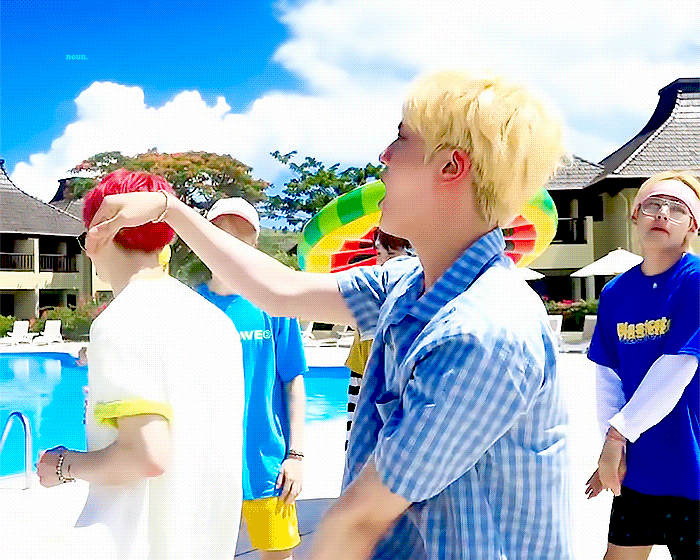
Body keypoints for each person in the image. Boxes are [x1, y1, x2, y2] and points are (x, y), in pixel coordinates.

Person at [85, 70, 571, 560]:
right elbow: (281, 290)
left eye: (402, 138)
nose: (384, 155)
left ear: (450, 166)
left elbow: (357, 520)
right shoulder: (408, 283)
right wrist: (169, 209)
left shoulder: (484, 332)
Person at [38, 169, 245, 560]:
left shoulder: (121, 321)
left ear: (98, 233)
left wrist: (62, 465)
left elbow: (146, 457)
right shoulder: (216, 322)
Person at [585, 170, 700, 560]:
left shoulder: (695, 281)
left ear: (692, 226)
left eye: (677, 208)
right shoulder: (615, 292)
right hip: (639, 470)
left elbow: (675, 370)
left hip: (692, 467)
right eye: (653, 205)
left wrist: (617, 437)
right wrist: (611, 450)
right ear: (634, 215)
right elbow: (607, 377)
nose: (662, 213)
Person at [195, 197, 308, 560]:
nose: (229, 247)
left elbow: (293, 380)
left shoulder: (274, 303)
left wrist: (295, 455)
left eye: (240, 238)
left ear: (254, 245)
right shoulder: (191, 307)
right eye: (220, 236)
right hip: (204, 464)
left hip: (266, 464)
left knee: (277, 554)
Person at [344, 228, 412, 450]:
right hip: (368, 372)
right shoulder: (376, 288)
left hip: (380, 377)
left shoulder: (388, 287)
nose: (383, 261)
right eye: (381, 254)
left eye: (390, 254)